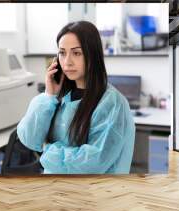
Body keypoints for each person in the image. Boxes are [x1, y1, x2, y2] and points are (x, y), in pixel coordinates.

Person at [17, 21, 135, 174]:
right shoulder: (57, 97)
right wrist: (49, 95)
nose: (67, 62)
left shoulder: (112, 103)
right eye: (62, 53)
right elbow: (30, 140)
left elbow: (93, 163)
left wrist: (49, 152)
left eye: (76, 53)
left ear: (92, 55)